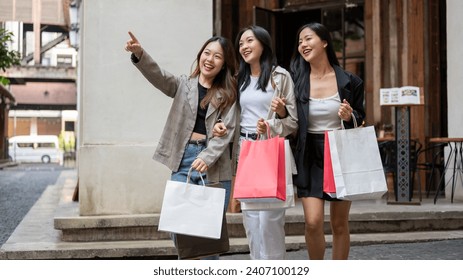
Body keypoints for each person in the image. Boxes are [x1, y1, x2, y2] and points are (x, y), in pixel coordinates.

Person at [125, 31, 238, 259]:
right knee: (179, 227)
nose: (210, 59)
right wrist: (140, 54)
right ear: (200, 55)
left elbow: (229, 131)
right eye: (207, 53)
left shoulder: (229, 94)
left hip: (214, 165)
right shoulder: (183, 84)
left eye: (217, 56)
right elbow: (159, 76)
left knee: (207, 234)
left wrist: (206, 157)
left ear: (224, 64)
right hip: (183, 160)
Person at [214, 25, 298, 259]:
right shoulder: (237, 79)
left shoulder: (280, 77)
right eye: (241, 43)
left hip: (272, 149)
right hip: (246, 150)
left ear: (263, 43)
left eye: (249, 41)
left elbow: (293, 122)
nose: (244, 47)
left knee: (270, 220)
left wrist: (275, 119)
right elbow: (227, 113)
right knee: (250, 218)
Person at [289, 22, 365, 260]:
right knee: (312, 222)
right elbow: (290, 118)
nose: (303, 45)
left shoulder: (350, 81)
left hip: (340, 151)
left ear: (324, 42)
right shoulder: (296, 80)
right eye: (300, 41)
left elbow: (360, 117)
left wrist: (349, 116)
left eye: (308, 39)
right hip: (309, 153)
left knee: (339, 224)